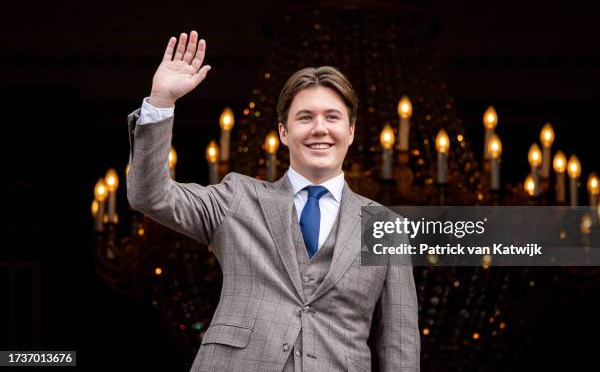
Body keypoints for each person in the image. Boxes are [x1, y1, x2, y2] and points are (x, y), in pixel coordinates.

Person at [127, 30, 420, 372]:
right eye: (305, 117)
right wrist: (161, 102)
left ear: (351, 131)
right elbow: (151, 195)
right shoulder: (237, 198)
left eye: (332, 117)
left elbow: (399, 342)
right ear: (284, 132)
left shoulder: (385, 227)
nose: (319, 129)